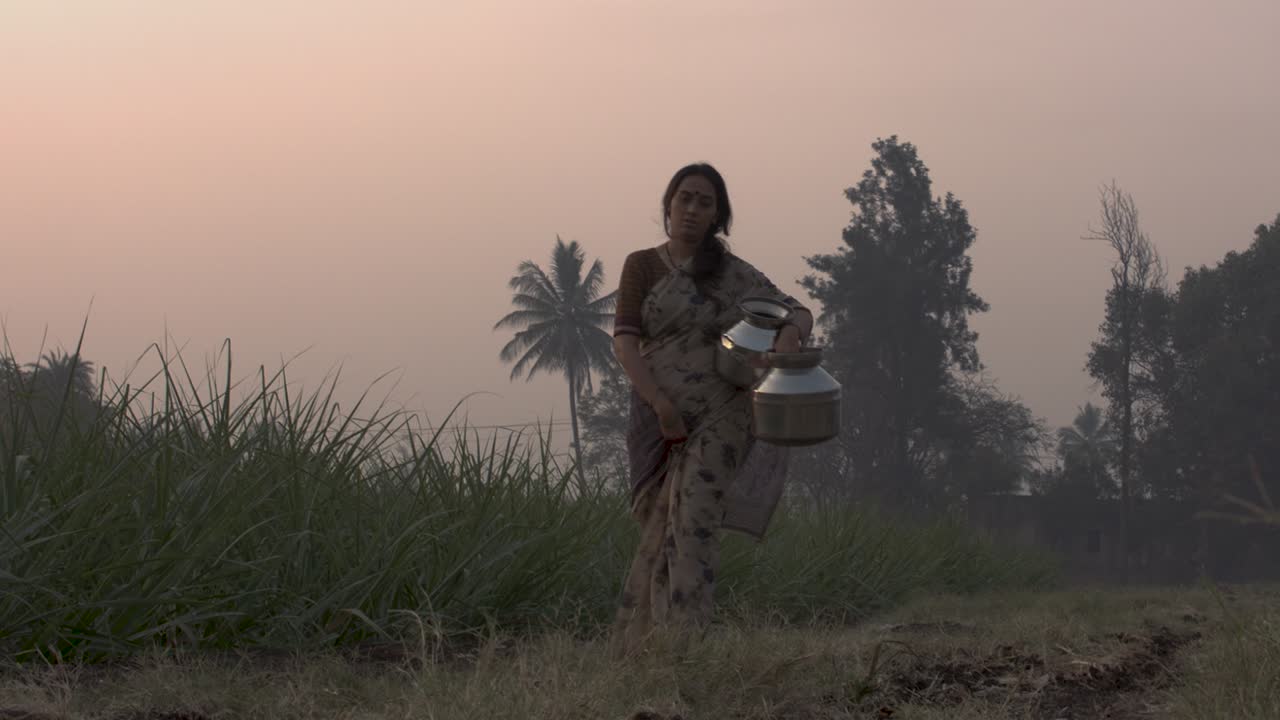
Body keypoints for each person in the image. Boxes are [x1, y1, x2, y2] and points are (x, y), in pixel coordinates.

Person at [609, 162, 814, 657]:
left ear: (718, 216)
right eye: (685, 198)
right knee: (657, 525)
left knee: (695, 524)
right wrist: (661, 406)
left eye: (705, 202)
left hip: (724, 416)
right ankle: (651, 646)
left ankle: (685, 647)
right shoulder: (642, 265)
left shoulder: (735, 275)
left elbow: (800, 310)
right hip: (657, 417)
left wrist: (789, 334)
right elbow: (625, 344)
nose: (693, 209)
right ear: (668, 206)